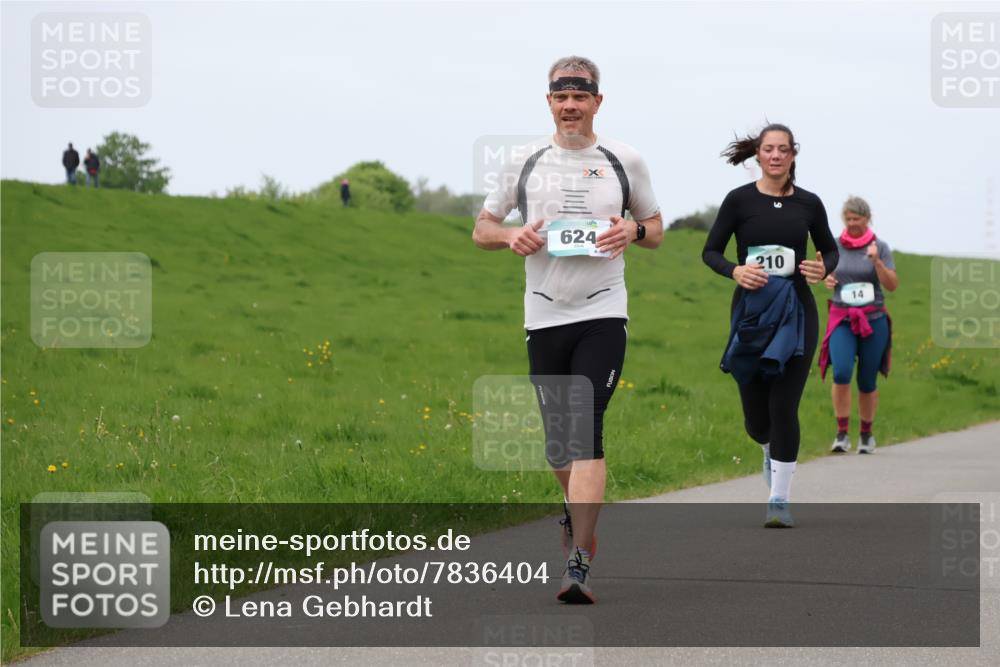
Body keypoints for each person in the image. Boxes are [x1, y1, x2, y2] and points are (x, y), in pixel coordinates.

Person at [472, 56, 663, 603]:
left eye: (581, 96)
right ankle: (576, 511)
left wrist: (632, 227)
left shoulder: (624, 159)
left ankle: (578, 560)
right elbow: (482, 228)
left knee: (586, 428)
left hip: (603, 310)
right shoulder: (524, 160)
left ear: (598, 101)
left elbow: (655, 229)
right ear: (550, 101)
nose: (571, 105)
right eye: (561, 96)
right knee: (558, 444)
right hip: (544, 312)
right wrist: (510, 238)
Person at [702, 123, 838, 528]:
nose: (776, 155)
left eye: (783, 149)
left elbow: (829, 248)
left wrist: (821, 266)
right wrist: (735, 271)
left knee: (784, 404)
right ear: (757, 155)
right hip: (751, 310)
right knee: (757, 417)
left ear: (793, 154)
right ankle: (767, 447)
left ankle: (779, 498)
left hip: (796, 309)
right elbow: (710, 251)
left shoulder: (810, 204)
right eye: (768, 149)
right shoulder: (739, 201)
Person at [819, 196, 897, 454]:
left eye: (857, 219)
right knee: (840, 372)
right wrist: (827, 278)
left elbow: (892, 284)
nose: (852, 223)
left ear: (867, 218)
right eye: (848, 219)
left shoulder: (880, 247)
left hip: (873, 319)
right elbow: (826, 274)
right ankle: (841, 434)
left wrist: (876, 261)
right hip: (842, 317)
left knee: (866, 379)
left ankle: (866, 434)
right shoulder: (835, 246)